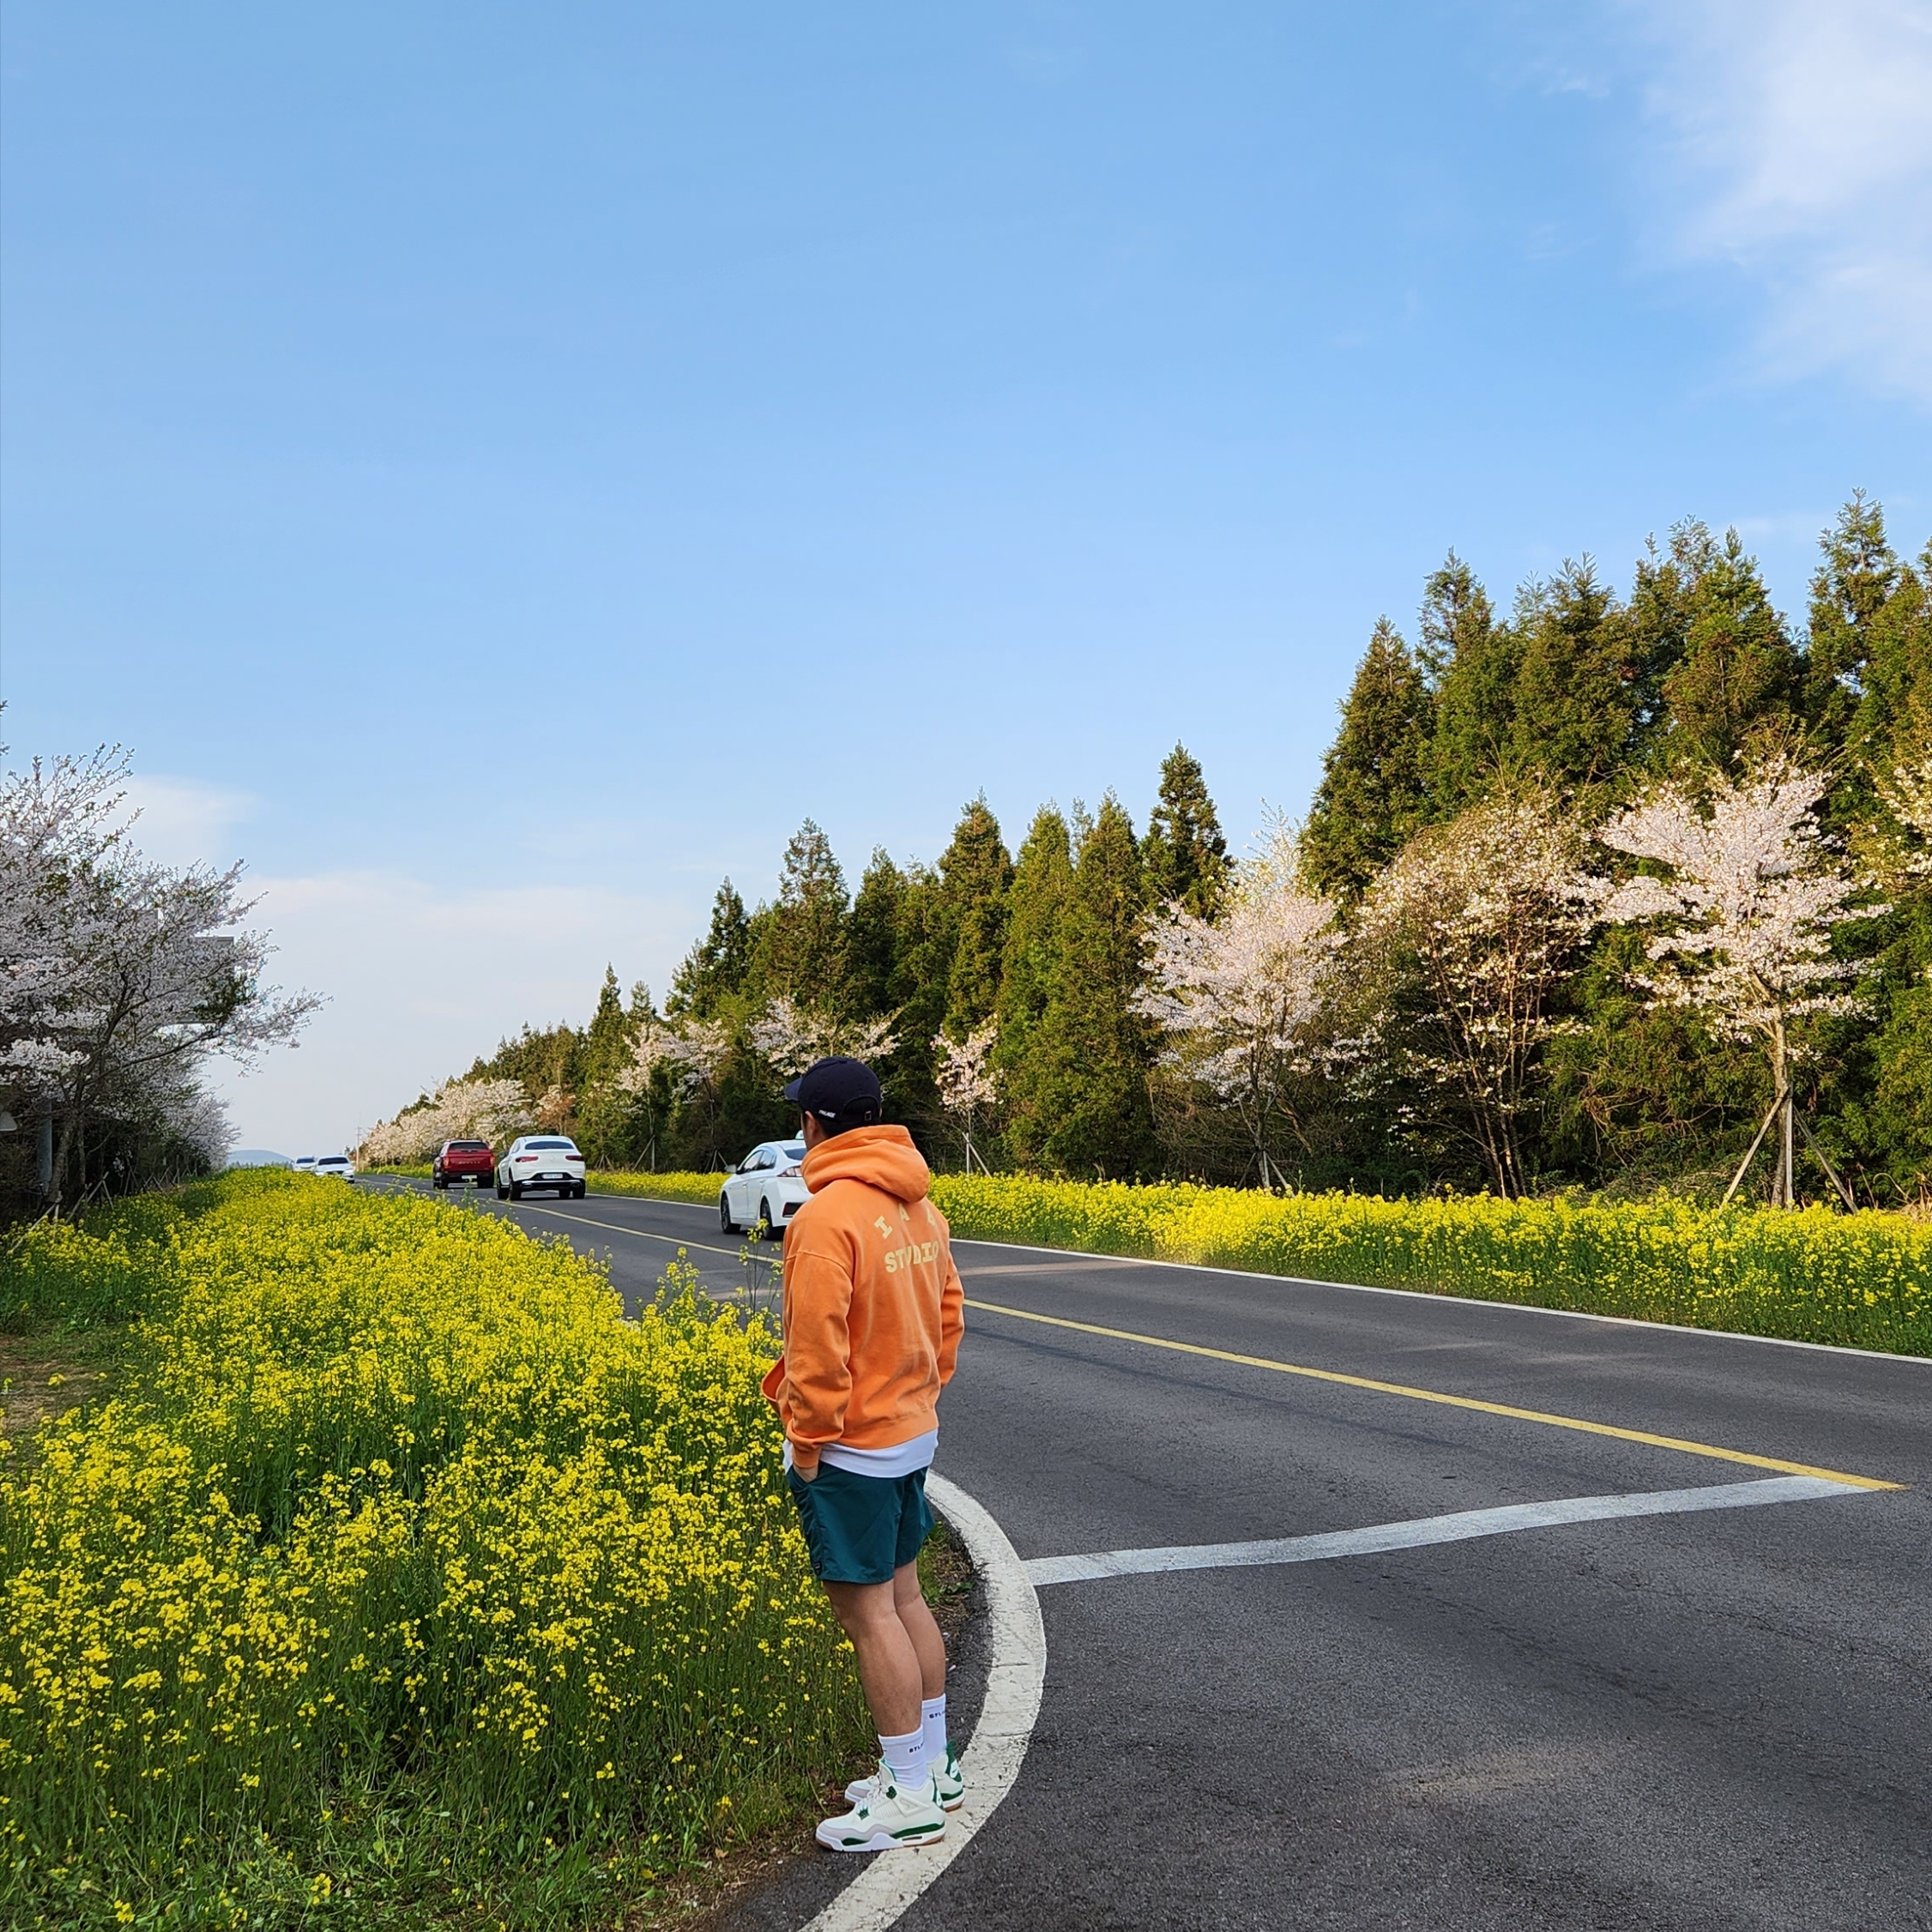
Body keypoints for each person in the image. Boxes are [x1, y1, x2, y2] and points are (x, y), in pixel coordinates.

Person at [761, 1054, 967, 1853]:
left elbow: (815, 1355)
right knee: (905, 1598)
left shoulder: (825, 1220)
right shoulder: (919, 1206)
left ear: (813, 1124)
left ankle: (909, 1797)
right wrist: (919, 1393)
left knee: (870, 1614)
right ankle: (934, 1767)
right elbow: (949, 1316)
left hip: (852, 1448)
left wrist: (807, 1445)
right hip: (909, 1435)